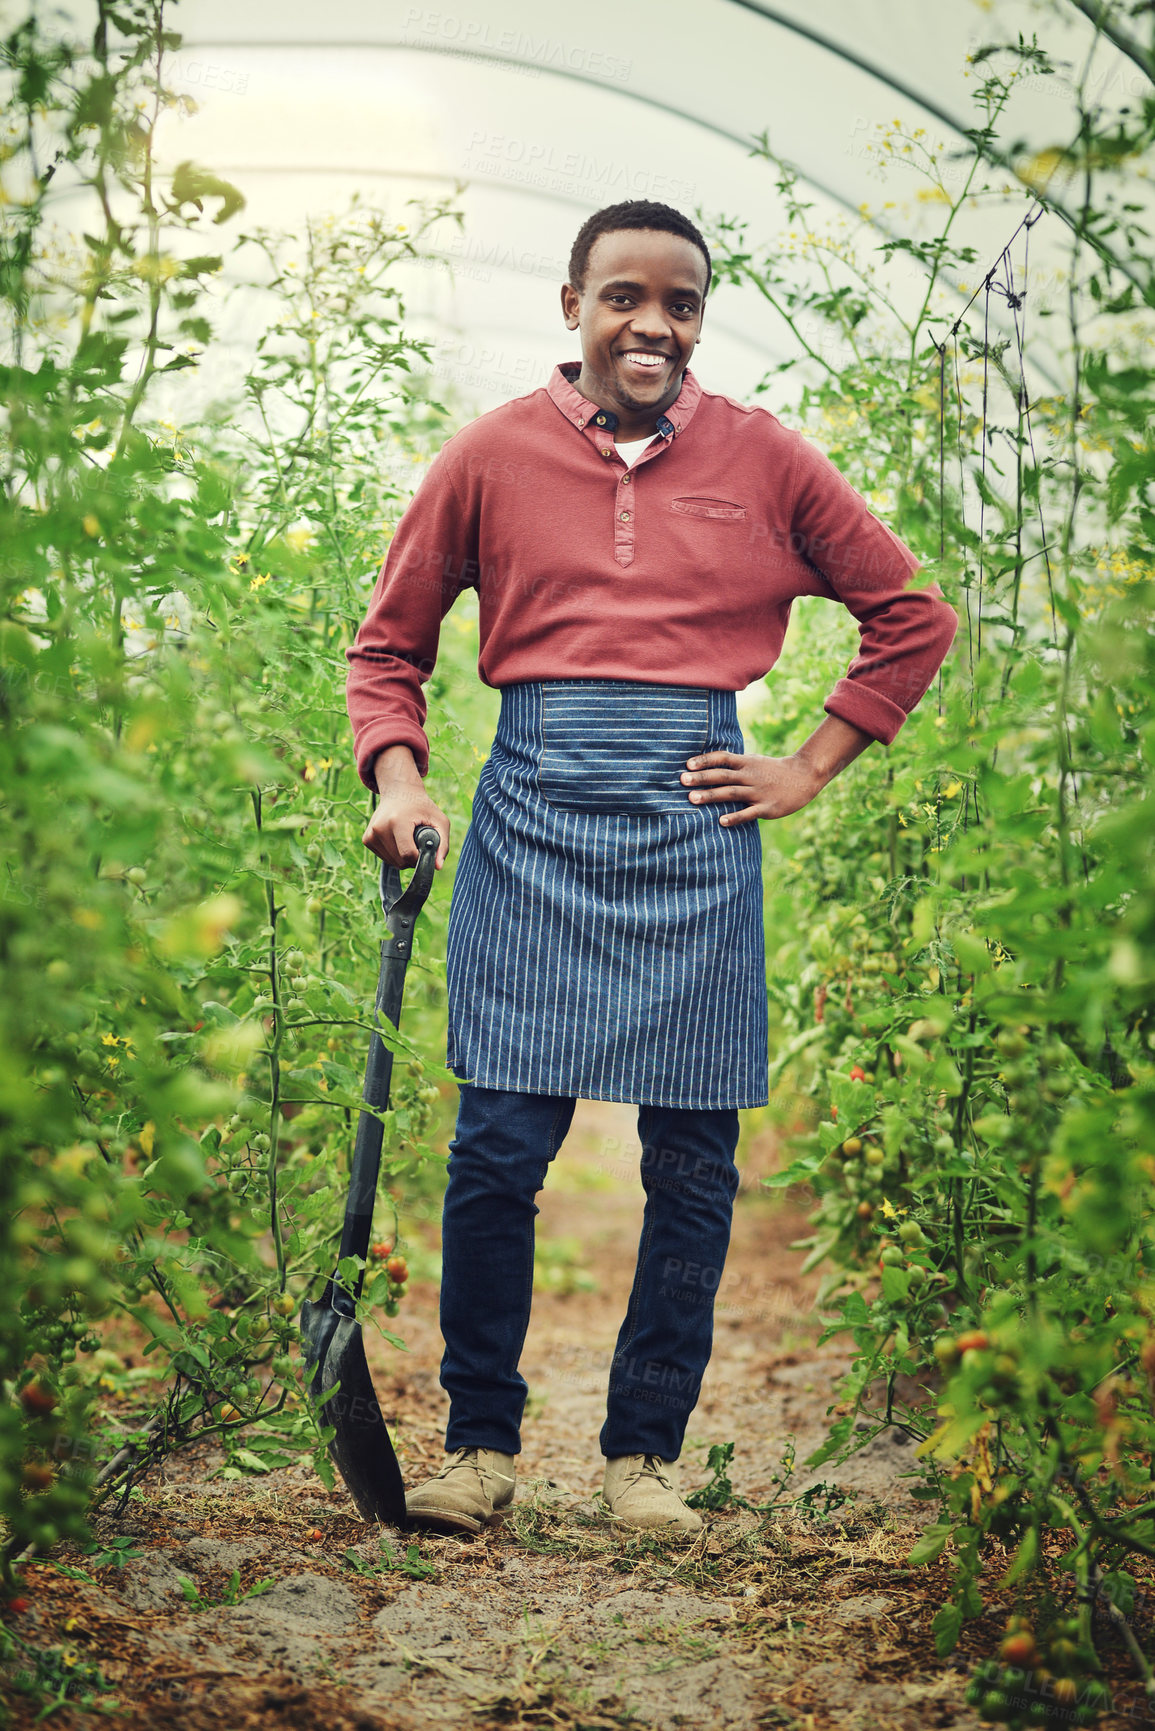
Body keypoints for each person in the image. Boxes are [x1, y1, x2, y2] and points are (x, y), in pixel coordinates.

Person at [345, 199, 958, 1539]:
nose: (653, 323)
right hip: (532, 818)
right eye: (624, 296)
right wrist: (400, 777)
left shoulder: (765, 458)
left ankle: (644, 1460)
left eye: (679, 303)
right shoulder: (492, 455)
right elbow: (386, 646)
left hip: (698, 832)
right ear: (572, 303)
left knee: (692, 1161)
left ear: (697, 320)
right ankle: (481, 1448)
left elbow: (911, 617)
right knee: (499, 1151)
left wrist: (805, 766)